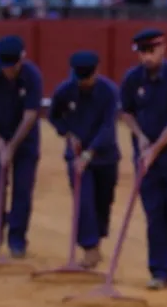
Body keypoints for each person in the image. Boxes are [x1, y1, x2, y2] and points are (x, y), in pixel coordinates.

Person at [119, 28, 167, 290]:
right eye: (142, 53)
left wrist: (154, 149)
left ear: (162, 48)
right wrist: (139, 136)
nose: (147, 57)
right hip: (144, 156)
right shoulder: (132, 79)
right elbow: (126, 111)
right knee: (154, 213)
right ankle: (160, 271)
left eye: (151, 51)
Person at [47, 51, 121, 269]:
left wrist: (91, 153)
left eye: (87, 78)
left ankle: (96, 241)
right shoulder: (65, 90)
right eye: (79, 79)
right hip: (76, 155)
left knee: (103, 201)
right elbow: (54, 116)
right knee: (84, 200)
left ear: (96, 72)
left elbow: (108, 127)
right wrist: (68, 134)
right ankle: (90, 248)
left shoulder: (109, 91)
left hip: (104, 156)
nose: (83, 83)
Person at [0, 35, 43, 257]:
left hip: (25, 141)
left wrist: (11, 146)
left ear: (21, 59)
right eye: (5, 67)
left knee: (22, 190)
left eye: (12, 67)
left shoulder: (32, 76)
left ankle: (17, 238)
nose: (8, 72)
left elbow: (31, 115)